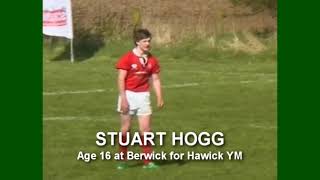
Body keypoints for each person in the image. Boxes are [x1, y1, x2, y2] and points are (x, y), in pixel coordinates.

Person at [115, 28, 164, 169]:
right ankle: (122, 159)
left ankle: (148, 162)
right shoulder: (127, 58)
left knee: (146, 130)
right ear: (137, 42)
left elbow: (155, 79)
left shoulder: (152, 59)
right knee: (125, 129)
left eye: (149, 41)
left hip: (144, 96)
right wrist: (123, 99)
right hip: (128, 95)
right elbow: (120, 79)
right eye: (145, 41)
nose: (148, 44)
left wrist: (159, 97)